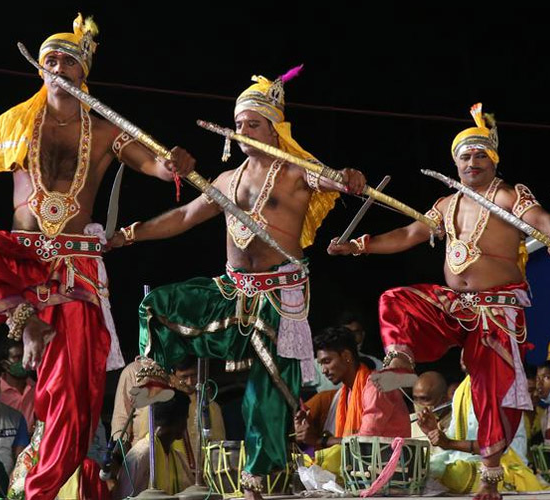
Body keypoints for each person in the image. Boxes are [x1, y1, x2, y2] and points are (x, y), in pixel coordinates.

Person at [0, 14, 195, 499]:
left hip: (75, 267)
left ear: (82, 72)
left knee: (75, 400)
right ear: (40, 69)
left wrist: (172, 163)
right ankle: (24, 319)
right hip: (18, 261)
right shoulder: (14, 122)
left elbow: (151, 162)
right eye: (48, 59)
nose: (56, 65)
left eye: (67, 59)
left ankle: (44, 491)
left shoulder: (106, 126)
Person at [114, 67, 366, 500]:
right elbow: (184, 217)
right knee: (159, 303)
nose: (244, 130)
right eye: (239, 124)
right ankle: (157, 371)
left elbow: (331, 178)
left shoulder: (296, 171)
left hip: (279, 295)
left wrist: (347, 177)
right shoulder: (226, 181)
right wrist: (131, 233)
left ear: (274, 128)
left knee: (264, 394)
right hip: (232, 290)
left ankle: (255, 480)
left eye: (254, 123)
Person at [328, 102, 550, 499]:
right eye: (464, 156)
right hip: (456, 305)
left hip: (496, 307)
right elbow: (408, 235)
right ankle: (402, 359)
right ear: (455, 164)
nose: (471, 162)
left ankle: (490, 478)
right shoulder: (447, 204)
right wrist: (360, 246)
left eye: (479, 155)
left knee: (491, 388)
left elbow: (542, 219)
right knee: (398, 299)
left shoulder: (508, 195)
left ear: (492, 160)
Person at [293, 327, 409, 475]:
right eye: (321, 364)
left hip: (391, 471)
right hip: (367, 469)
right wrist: (308, 431)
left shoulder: (375, 386)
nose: (323, 370)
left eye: (327, 361)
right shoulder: (347, 392)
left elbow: (364, 441)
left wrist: (320, 441)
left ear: (347, 356)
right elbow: (347, 441)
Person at [420, 375, 550, 494]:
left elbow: (495, 446)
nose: (464, 356)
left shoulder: (500, 388)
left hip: (505, 464)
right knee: (425, 469)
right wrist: (434, 432)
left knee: (457, 475)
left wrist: (449, 443)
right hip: (466, 464)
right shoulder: (462, 390)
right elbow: (452, 440)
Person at [118, 393, 194, 497]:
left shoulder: (179, 458)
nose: (185, 426)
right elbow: (123, 496)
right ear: (177, 421)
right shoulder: (140, 455)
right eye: (185, 419)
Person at [0, 338, 36, 434]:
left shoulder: (38, 389)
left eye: (26, 355)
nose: (25, 360)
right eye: (18, 358)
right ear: (4, 364)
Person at [410, 371, 452, 444]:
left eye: (424, 399)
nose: (418, 404)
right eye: (415, 398)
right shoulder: (409, 421)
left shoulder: (457, 421)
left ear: (444, 399)